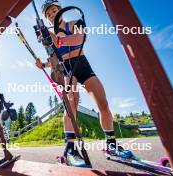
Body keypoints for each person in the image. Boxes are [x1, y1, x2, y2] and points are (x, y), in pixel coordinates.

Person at [35, 0, 132, 168]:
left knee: (103, 103)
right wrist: (43, 64)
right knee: (71, 104)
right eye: (48, 14)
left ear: (61, 11)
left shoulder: (75, 24)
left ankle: (111, 144)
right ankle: (71, 149)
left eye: (54, 11)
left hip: (83, 65)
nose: (52, 15)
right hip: (67, 69)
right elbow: (55, 59)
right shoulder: (48, 35)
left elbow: (80, 38)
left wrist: (56, 40)